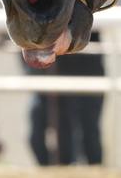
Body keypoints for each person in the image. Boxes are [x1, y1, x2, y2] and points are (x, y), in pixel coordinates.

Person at [24, 33, 105, 165]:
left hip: (82, 74)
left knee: (87, 136)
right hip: (46, 79)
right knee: (37, 136)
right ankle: (51, 170)